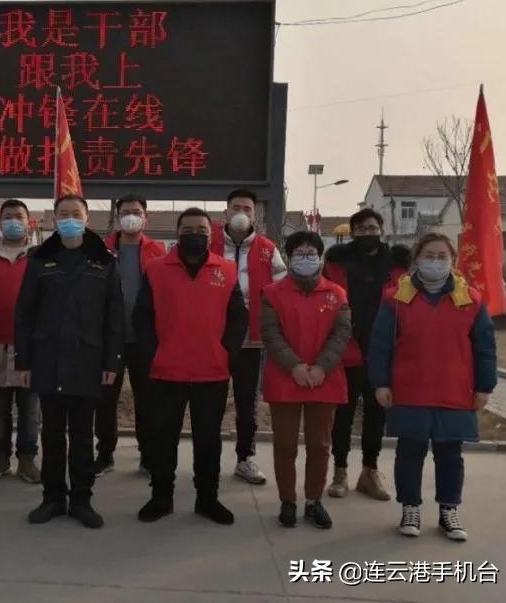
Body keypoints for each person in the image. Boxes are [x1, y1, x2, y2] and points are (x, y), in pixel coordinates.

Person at [368, 233, 496, 542]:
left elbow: (485, 348)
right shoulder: (396, 298)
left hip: (455, 390)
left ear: (452, 261)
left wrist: (485, 386)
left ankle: (448, 510)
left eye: (442, 256)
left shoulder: (471, 299)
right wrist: (380, 382)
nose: (435, 261)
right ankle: (410, 507)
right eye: (429, 255)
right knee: (409, 452)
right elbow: (381, 345)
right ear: (416, 259)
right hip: (410, 388)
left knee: (450, 454)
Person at [15, 195, 124, 529]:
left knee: (81, 436)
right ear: (54, 219)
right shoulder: (39, 259)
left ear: (87, 217)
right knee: (51, 435)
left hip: (87, 362)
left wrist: (112, 362)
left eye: (76, 214)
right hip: (48, 359)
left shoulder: (104, 261)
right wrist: (23, 362)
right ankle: (52, 498)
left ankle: (81, 500)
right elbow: (25, 314)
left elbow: (114, 317)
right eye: (64, 214)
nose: (70, 219)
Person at [135, 208, 248, 525]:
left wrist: (226, 353)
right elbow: (142, 318)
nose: (194, 233)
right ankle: (161, 497)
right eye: (188, 228)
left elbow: (239, 318)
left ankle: (207, 499)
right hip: (166, 371)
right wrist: (152, 354)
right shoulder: (156, 269)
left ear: (210, 234)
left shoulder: (225, 270)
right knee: (162, 439)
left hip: (211, 371)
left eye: (201, 228)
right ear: (178, 232)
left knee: (209, 440)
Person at [261, 231, 351, 529]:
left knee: (320, 444)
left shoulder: (336, 293)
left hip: (324, 379)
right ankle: (288, 500)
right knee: (285, 444)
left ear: (321, 256)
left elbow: (341, 335)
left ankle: (313, 500)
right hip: (286, 378)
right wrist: (295, 366)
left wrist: (322, 367)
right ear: (288, 258)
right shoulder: (272, 293)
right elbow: (271, 334)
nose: (305, 257)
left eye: (311, 252)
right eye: (298, 253)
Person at [324, 208, 411, 501]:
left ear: (381, 229)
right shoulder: (337, 264)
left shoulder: (398, 265)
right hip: (346, 352)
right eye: (360, 229)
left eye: (372, 227)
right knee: (343, 416)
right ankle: (339, 471)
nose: (367, 233)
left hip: (383, 353)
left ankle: (370, 471)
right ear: (352, 233)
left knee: (377, 416)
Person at [209, 188, 286, 485]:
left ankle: (245, 457)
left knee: (246, 402)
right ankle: (209, 457)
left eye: (248, 209)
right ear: (226, 211)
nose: (242, 213)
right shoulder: (209, 242)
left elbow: (281, 291)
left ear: (256, 214)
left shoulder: (268, 249)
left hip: (251, 341)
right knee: (210, 401)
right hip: (214, 338)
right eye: (236, 207)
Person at [97, 194, 166, 475]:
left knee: (147, 401)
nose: (131, 216)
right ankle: (104, 455)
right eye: (126, 211)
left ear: (146, 217)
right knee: (104, 400)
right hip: (109, 338)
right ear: (117, 216)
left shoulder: (159, 251)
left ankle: (148, 456)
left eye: (136, 212)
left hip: (145, 339)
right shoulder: (101, 251)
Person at [0, 199, 40, 484]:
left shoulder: (40, 256)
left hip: (31, 346)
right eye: (8, 216)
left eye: (19, 216)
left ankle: (27, 460)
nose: (14, 221)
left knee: (30, 410)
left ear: (29, 222)